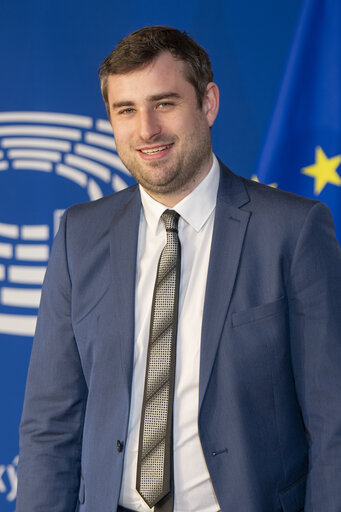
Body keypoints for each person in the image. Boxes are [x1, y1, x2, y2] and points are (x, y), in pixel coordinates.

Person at [16, 26, 341, 512]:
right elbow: (50, 424)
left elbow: (332, 420)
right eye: (126, 110)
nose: (146, 129)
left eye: (164, 103)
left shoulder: (293, 231)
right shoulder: (79, 236)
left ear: (207, 103)